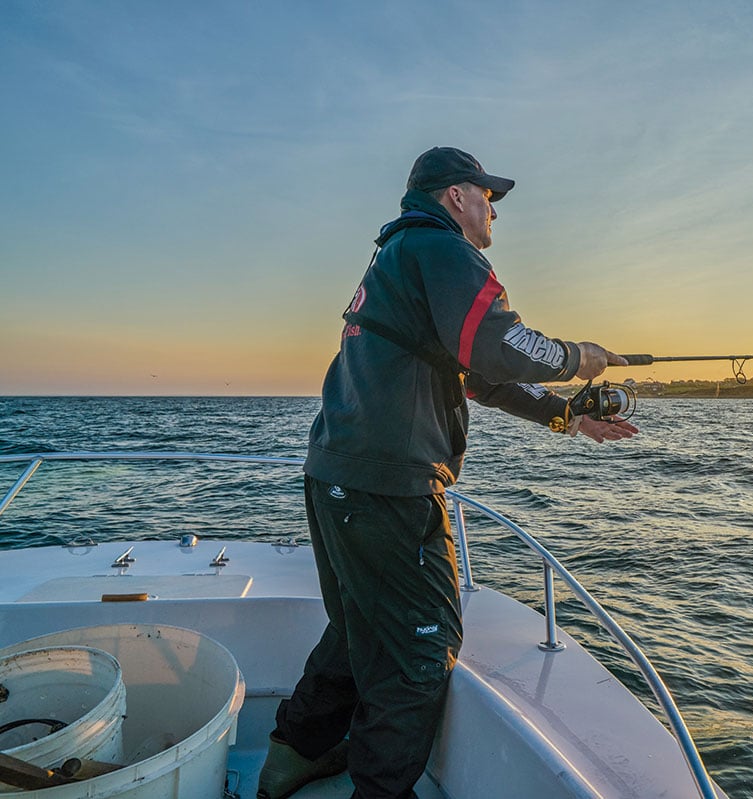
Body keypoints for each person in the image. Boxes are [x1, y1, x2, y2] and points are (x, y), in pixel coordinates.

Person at [256, 147, 638, 799]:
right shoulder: (442, 250)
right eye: (488, 196)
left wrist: (565, 417)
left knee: (359, 628)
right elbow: (499, 344)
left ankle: (293, 753)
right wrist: (580, 357)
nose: (494, 211)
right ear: (457, 195)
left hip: (337, 475)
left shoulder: (398, 257)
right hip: (389, 486)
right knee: (420, 651)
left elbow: (478, 375)